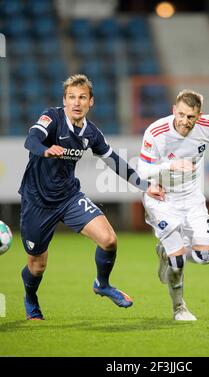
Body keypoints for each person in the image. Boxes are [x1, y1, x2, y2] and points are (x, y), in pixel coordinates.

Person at [19, 74, 165, 320]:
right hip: (37, 201)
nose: (76, 103)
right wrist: (45, 150)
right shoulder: (52, 117)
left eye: (82, 98)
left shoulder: (92, 133)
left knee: (108, 240)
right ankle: (31, 297)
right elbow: (31, 139)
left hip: (68, 197)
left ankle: (102, 284)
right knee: (37, 265)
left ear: (91, 102)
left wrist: (144, 185)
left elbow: (114, 162)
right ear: (64, 101)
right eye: (72, 97)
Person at [137, 89, 209, 321]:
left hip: (192, 198)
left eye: (190, 117)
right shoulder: (156, 131)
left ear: (199, 115)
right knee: (177, 261)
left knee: (206, 257)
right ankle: (179, 308)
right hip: (162, 199)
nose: (184, 121)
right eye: (180, 114)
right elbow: (142, 170)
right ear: (174, 110)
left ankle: (168, 253)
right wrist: (169, 167)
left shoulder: (208, 124)